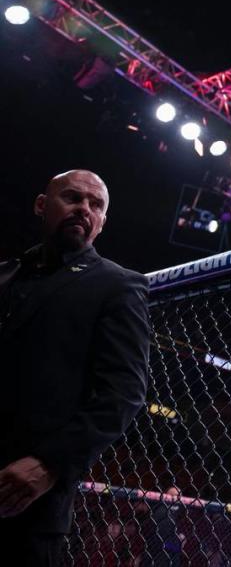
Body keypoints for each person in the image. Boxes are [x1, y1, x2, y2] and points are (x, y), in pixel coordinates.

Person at [0, 169, 151, 566]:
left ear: (102, 222)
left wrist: (50, 463)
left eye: (95, 204)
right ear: (41, 205)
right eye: (72, 198)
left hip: (26, 496)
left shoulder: (118, 284)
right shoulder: (5, 274)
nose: (84, 208)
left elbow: (124, 393)